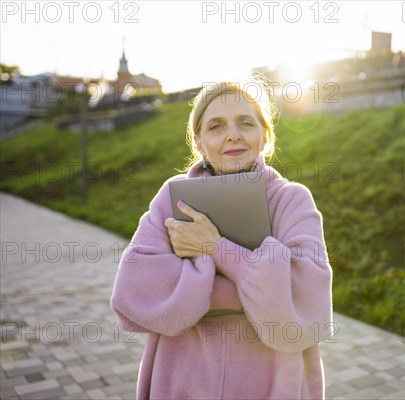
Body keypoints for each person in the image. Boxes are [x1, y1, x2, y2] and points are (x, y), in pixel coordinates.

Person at [110, 78, 334, 400]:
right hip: (181, 380)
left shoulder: (292, 200)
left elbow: (308, 307)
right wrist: (259, 281)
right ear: (198, 141)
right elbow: (132, 293)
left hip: (274, 382)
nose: (233, 134)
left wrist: (213, 249)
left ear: (264, 136)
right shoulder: (172, 197)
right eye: (216, 126)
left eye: (246, 123)